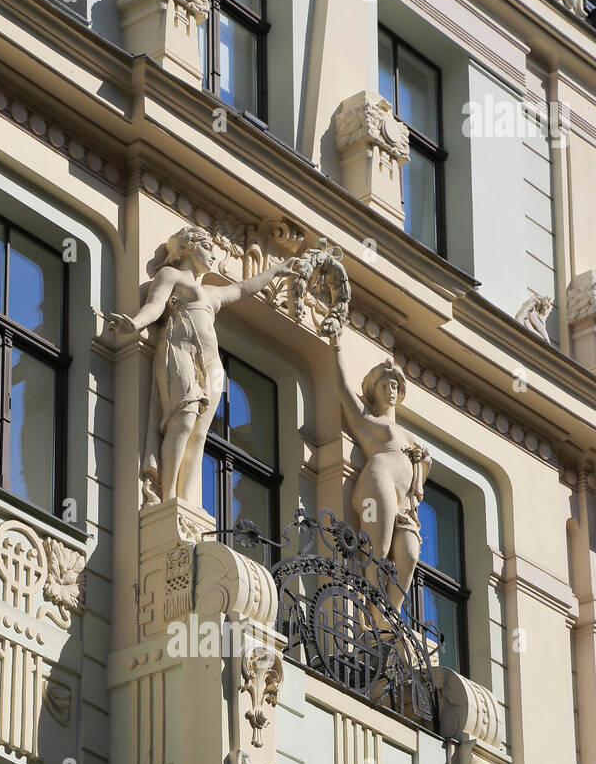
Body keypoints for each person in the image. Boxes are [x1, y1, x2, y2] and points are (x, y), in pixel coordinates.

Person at [108, 226, 298, 507]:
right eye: (208, 247)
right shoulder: (170, 275)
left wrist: (276, 271)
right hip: (180, 352)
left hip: (212, 365)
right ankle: (168, 496)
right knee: (183, 420)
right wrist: (136, 323)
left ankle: (184, 502)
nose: (214, 254)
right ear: (188, 247)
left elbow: (243, 289)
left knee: (199, 434)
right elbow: (157, 305)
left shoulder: (211, 293)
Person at [324, 317, 431, 611]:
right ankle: (366, 610)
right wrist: (336, 346)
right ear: (374, 390)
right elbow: (344, 388)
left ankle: (387, 614)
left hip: (405, 503)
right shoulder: (367, 420)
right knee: (379, 550)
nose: (391, 389)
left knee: (408, 556)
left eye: (395, 385)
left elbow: (422, 471)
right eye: (385, 384)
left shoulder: (409, 435)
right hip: (379, 480)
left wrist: (423, 461)